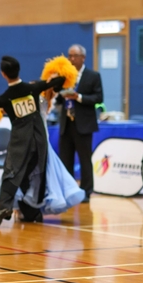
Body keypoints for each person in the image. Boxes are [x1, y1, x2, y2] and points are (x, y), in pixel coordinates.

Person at [0, 56, 65, 228]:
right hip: (39, 141)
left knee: (10, 173)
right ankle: (31, 212)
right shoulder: (32, 88)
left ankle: (5, 206)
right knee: (31, 176)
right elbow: (60, 81)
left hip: (20, 142)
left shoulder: (5, 97)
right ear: (19, 70)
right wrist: (54, 79)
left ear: (3, 74)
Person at [0, 89, 85, 222]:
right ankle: (1, 205)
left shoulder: (43, 101)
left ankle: (25, 209)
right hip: (23, 146)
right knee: (16, 176)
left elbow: (52, 88)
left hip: (42, 147)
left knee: (38, 180)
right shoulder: (20, 103)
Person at [56, 44, 104, 203]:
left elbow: (98, 98)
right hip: (66, 123)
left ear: (83, 58)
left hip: (83, 124)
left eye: (74, 56)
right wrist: (57, 92)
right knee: (65, 160)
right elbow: (58, 100)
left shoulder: (93, 76)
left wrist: (79, 97)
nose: (71, 59)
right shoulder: (65, 76)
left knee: (84, 160)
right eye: (69, 55)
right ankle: (68, 190)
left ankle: (86, 192)